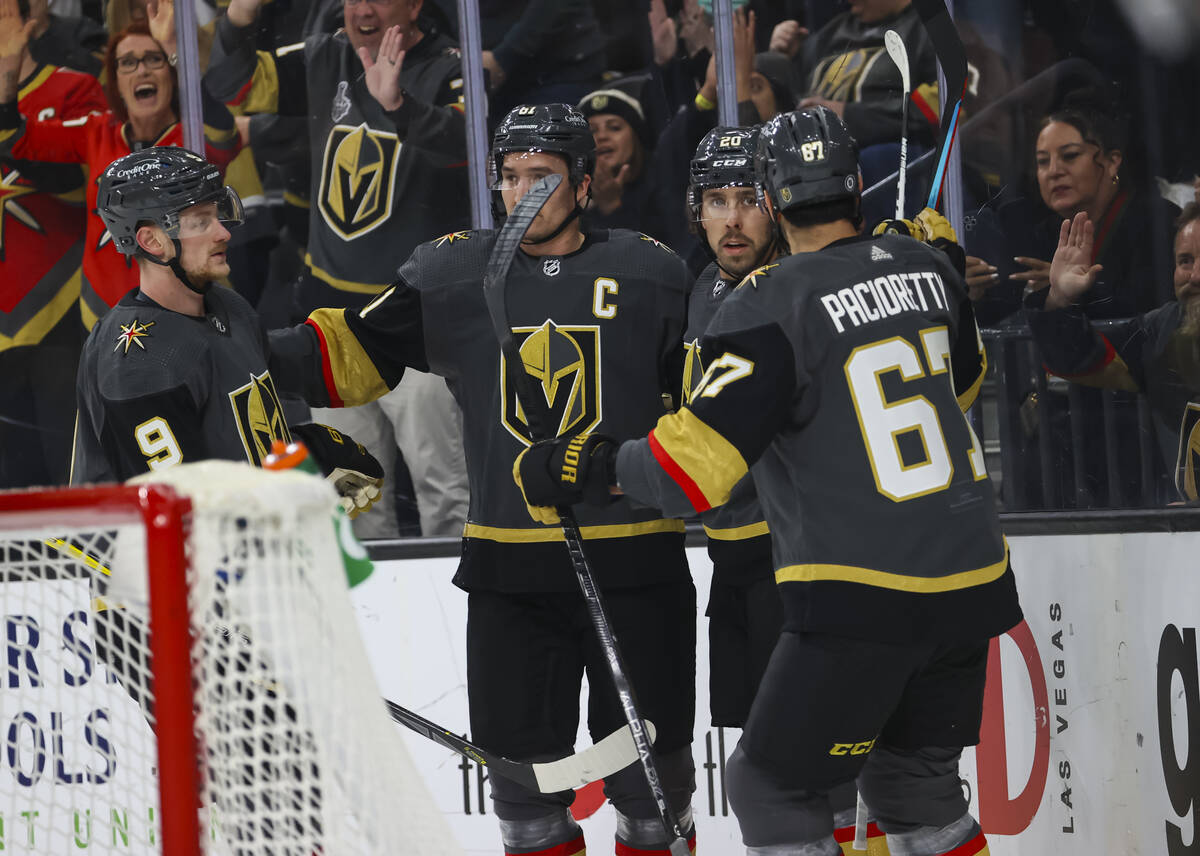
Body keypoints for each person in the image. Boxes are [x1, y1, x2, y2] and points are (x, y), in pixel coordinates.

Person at [514, 106, 1022, 856]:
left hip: (864, 592)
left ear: (775, 201)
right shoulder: (925, 268)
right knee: (917, 785)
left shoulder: (770, 300)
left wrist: (587, 466)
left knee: (769, 784)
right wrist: (943, 271)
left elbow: (694, 471)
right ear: (856, 186)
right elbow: (966, 381)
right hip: (971, 583)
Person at [266, 103, 697, 856]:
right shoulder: (453, 273)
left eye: (544, 176)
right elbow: (355, 352)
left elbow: (704, 415)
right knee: (527, 808)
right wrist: (235, 342)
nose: (523, 193)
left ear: (586, 183)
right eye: (510, 177)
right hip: (510, 575)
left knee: (654, 803)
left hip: (637, 569)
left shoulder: (652, 272)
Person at [208, 0, 469, 538]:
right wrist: (237, 18)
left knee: (444, 491)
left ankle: (462, 619)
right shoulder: (325, 56)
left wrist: (396, 106)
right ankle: (370, 619)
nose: (361, 9)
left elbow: (467, 148)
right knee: (353, 499)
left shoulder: (452, 66)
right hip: (333, 324)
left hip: (416, 322)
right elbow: (232, 85)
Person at [70, 147, 383, 523]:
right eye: (201, 222)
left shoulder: (226, 307)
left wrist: (302, 454)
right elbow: (183, 511)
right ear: (153, 242)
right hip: (160, 576)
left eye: (217, 216)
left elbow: (236, 440)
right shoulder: (140, 361)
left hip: (243, 557)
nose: (223, 232)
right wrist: (305, 468)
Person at [0, 0, 241, 330]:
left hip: (187, 315)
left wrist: (174, 48)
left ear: (169, 74)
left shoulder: (194, 137)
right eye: (127, 63)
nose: (141, 70)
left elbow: (224, 132)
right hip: (104, 322)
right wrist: (9, 68)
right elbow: (13, 137)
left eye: (153, 59)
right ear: (115, 82)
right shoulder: (96, 131)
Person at [1026, 205, 1200, 504]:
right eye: (1185, 261)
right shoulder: (1161, 331)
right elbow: (1080, 361)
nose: (1195, 276)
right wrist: (1060, 300)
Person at [0, 0, 106, 489]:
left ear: (33, 21)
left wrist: (6, 96)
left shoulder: (76, 88)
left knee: (68, 477)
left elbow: (79, 183)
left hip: (60, 319)